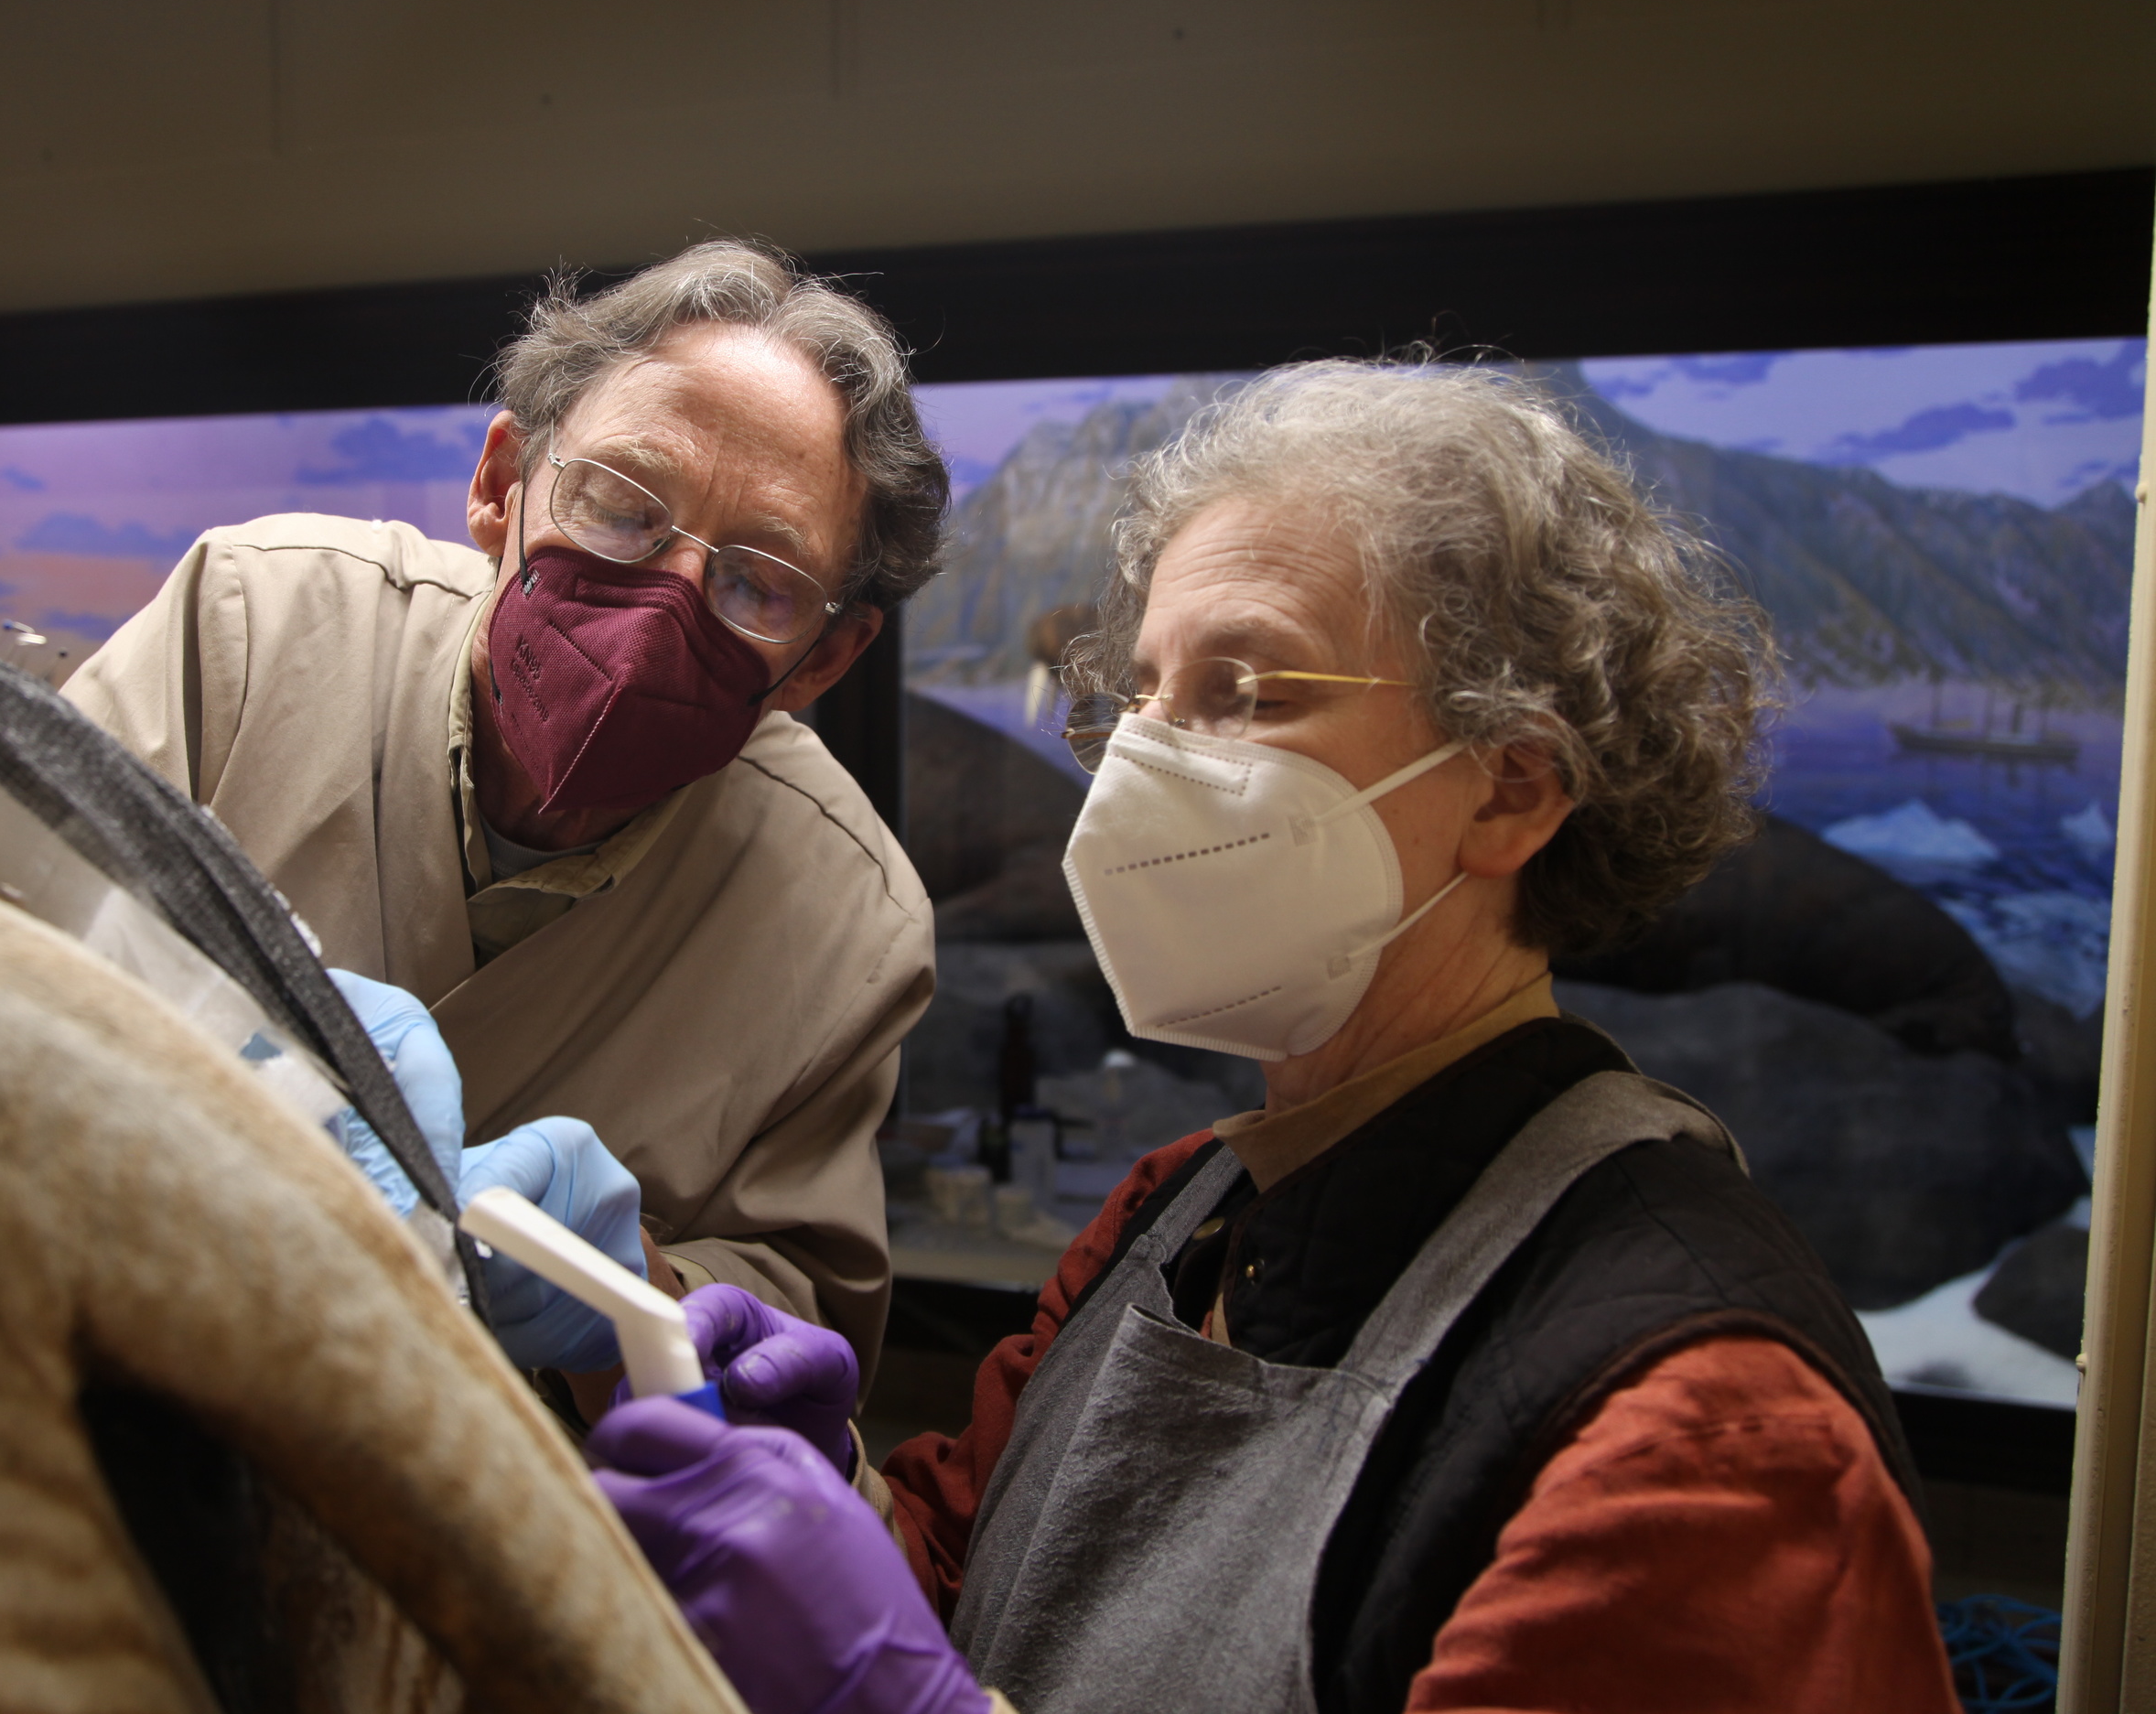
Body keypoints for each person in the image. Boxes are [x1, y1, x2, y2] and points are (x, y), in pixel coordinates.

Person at [587, 361, 1961, 1713]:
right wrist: (808, 1486)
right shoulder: (1178, 1216)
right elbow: (976, 1589)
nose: (1144, 766)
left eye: (1250, 693)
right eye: (1142, 694)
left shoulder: (1703, 1431)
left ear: (1513, 788)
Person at [64, 241, 943, 1386]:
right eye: (621, 505)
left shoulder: (848, 923)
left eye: (758, 583)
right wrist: (203, 1033)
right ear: (500, 486)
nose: (660, 604)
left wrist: (635, 1289)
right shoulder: (252, 627)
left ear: (827, 657)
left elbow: (801, 1312)